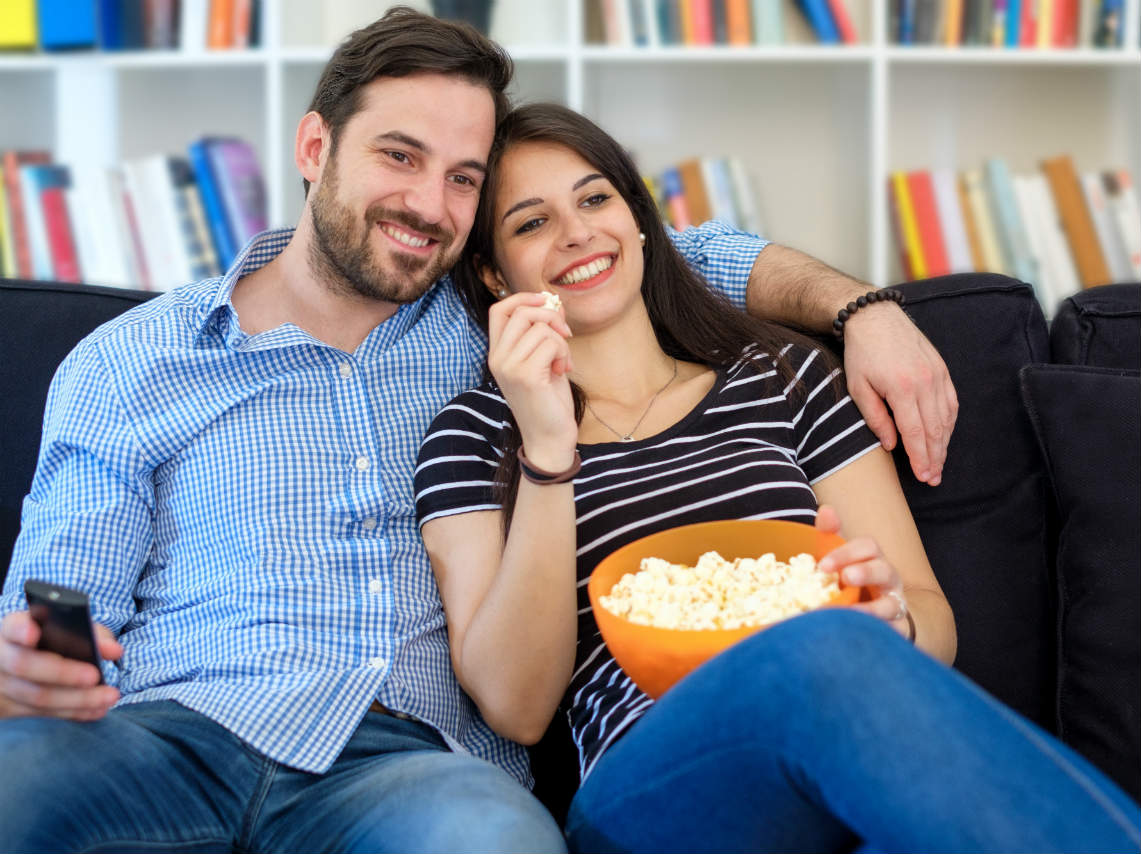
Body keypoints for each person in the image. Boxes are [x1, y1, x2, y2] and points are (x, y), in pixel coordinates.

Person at [0, 8, 958, 853]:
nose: (429, 206)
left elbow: (656, 254)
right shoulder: (134, 358)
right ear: (313, 147)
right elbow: (59, 604)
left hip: (409, 763)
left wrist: (860, 307)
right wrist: (30, 668)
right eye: (399, 155)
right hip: (172, 734)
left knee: (493, 840)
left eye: (464, 179)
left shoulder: (500, 317)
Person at [413, 102, 1141, 853]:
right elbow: (517, 707)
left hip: (836, 746)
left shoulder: (783, 375)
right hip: (651, 788)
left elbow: (932, 621)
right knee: (816, 652)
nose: (575, 233)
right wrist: (545, 441)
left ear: (639, 221)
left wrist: (892, 619)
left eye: (595, 198)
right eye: (530, 223)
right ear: (495, 274)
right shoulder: (473, 435)